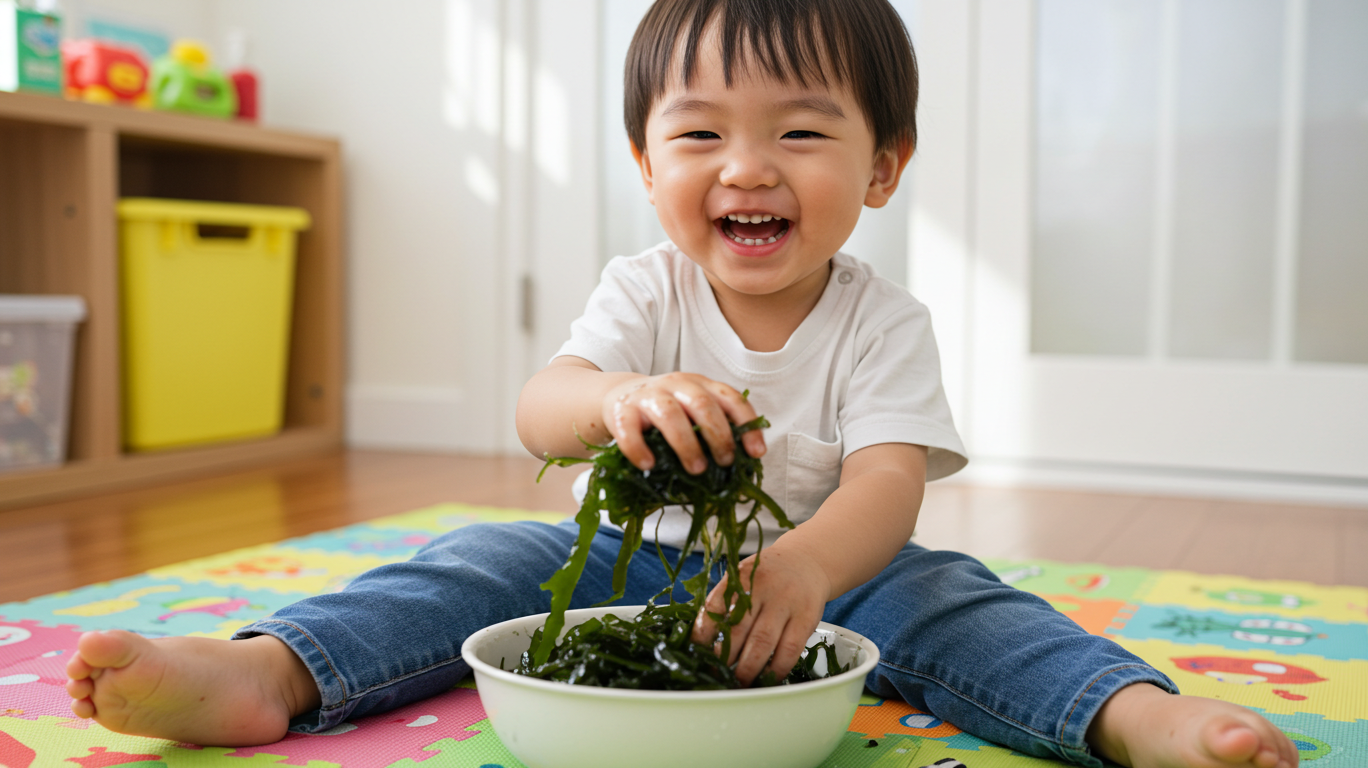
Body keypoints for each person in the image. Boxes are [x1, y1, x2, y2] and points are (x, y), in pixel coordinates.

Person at [65, 2, 1298, 766]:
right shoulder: (643, 287)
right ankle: (269, 671)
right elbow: (541, 405)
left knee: (964, 606)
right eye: (700, 134)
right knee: (471, 567)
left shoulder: (884, 319)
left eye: (802, 134)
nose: (746, 167)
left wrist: (810, 568)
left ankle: (1135, 720)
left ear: (883, 167)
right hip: (631, 561)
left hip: (839, 571)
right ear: (647, 161)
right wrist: (612, 400)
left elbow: (885, 483)